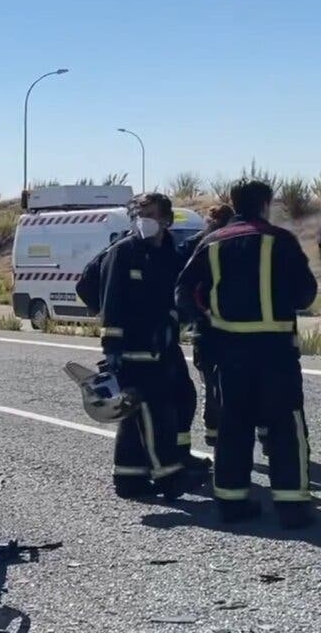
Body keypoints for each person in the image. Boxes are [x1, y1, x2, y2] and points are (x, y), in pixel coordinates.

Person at [176, 180, 317, 527]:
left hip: (230, 352)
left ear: (234, 203)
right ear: (266, 204)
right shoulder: (281, 241)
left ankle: (231, 501)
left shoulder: (210, 243)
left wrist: (205, 320)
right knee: (285, 424)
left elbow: (183, 291)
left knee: (233, 425)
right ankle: (292, 505)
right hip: (275, 352)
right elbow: (305, 295)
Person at [77, 193, 204, 500]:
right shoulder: (123, 252)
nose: (142, 219)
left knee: (139, 412)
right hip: (131, 348)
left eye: (149, 214)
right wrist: (113, 348)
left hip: (161, 346)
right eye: (139, 213)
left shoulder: (167, 251)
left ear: (167, 220)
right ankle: (168, 476)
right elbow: (95, 291)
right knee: (154, 410)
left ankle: (129, 478)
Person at [178, 204, 234, 448]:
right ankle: (220, 435)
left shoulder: (196, 245)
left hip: (208, 326)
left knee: (211, 385)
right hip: (221, 327)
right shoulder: (209, 245)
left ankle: (216, 436)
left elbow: (181, 286)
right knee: (221, 384)